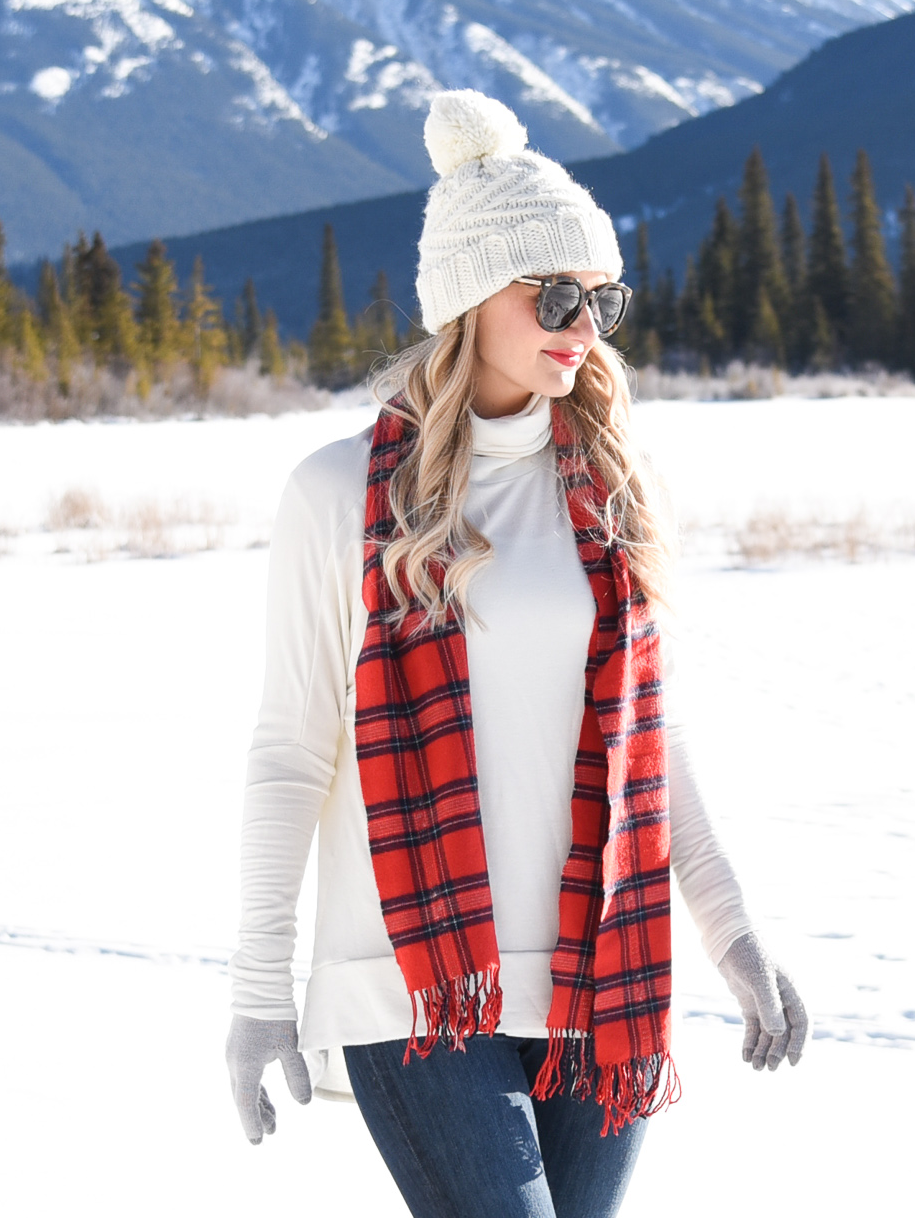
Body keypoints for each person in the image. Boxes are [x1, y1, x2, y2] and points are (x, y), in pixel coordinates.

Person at [225, 89, 808, 1218]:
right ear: (464, 298)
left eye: (600, 296)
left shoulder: (606, 496)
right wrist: (257, 987)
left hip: (601, 975)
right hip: (411, 985)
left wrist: (729, 929)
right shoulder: (339, 494)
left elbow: (654, 740)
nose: (579, 320)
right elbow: (289, 749)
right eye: (550, 291)